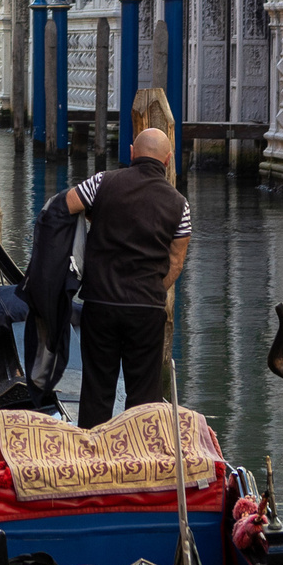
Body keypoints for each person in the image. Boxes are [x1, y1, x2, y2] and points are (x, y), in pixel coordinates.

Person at [65, 126, 190, 426]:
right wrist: (151, 290)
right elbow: (176, 262)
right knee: (144, 396)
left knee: (97, 389)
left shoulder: (102, 182)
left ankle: (91, 458)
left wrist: (93, 216)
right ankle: (139, 459)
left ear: (132, 153)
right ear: (168, 160)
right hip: (146, 308)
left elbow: (66, 205)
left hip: (101, 304)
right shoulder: (179, 204)